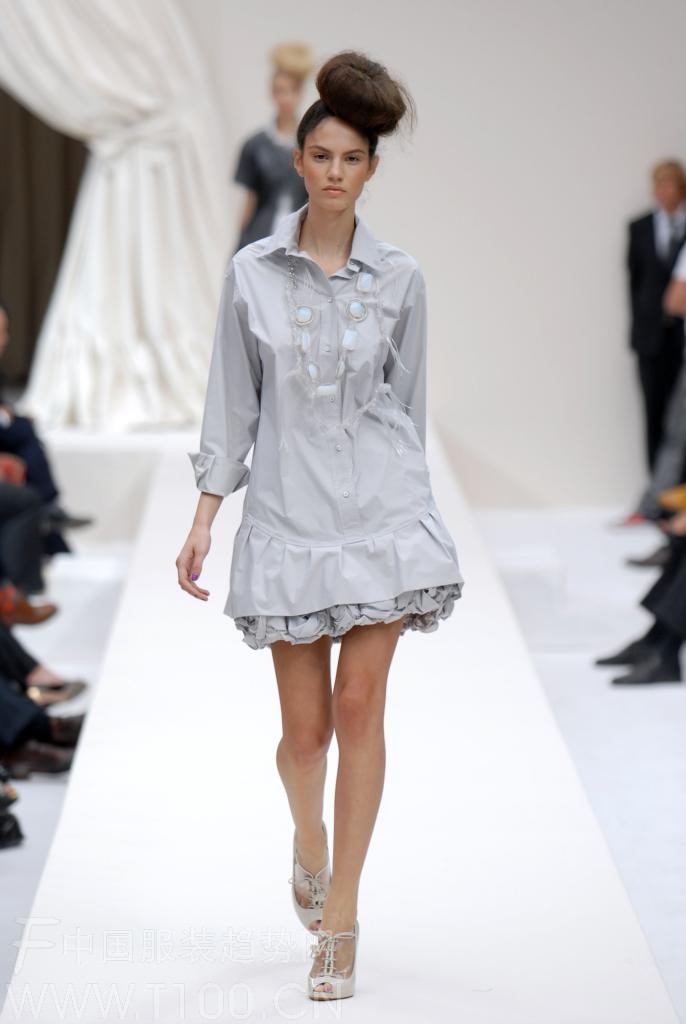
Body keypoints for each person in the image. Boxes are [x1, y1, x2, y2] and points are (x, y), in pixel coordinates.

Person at [177, 50, 465, 1001]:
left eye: (353, 158)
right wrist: (206, 514)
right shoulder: (252, 274)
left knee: (358, 711)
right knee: (304, 741)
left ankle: (341, 915)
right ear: (298, 161)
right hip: (290, 517)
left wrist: (417, 510)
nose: (336, 172)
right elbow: (233, 401)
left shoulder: (402, 277)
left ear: (370, 171)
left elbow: (408, 409)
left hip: (382, 517)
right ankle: (310, 840)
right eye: (322, 155)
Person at [627, 161, 686, 480]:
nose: (662, 191)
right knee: (654, 412)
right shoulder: (639, 228)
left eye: (669, 184)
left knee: (680, 419)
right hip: (650, 338)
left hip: (680, 339)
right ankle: (657, 487)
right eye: (658, 185)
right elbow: (635, 285)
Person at [233, 42, 315, 252]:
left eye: (291, 91)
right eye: (280, 91)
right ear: (272, 92)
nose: (285, 98)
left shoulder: (312, 146)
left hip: (300, 242)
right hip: (259, 239)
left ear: (300, 92)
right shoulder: (255, 145)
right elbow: (249, 201)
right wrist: (238, 248)